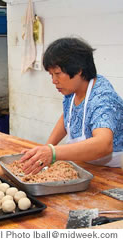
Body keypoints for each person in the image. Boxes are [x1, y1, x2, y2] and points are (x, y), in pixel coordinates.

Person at [21, 37, 123, 175]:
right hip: (87, 165)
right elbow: (68, 117)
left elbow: (104, 144)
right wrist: (46, 148)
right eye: (51, 75)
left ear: (78, 70)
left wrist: (53, 153)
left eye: (57, 74)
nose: (54, 81)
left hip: (113, 171)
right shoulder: (72, 91)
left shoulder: (102, 98)